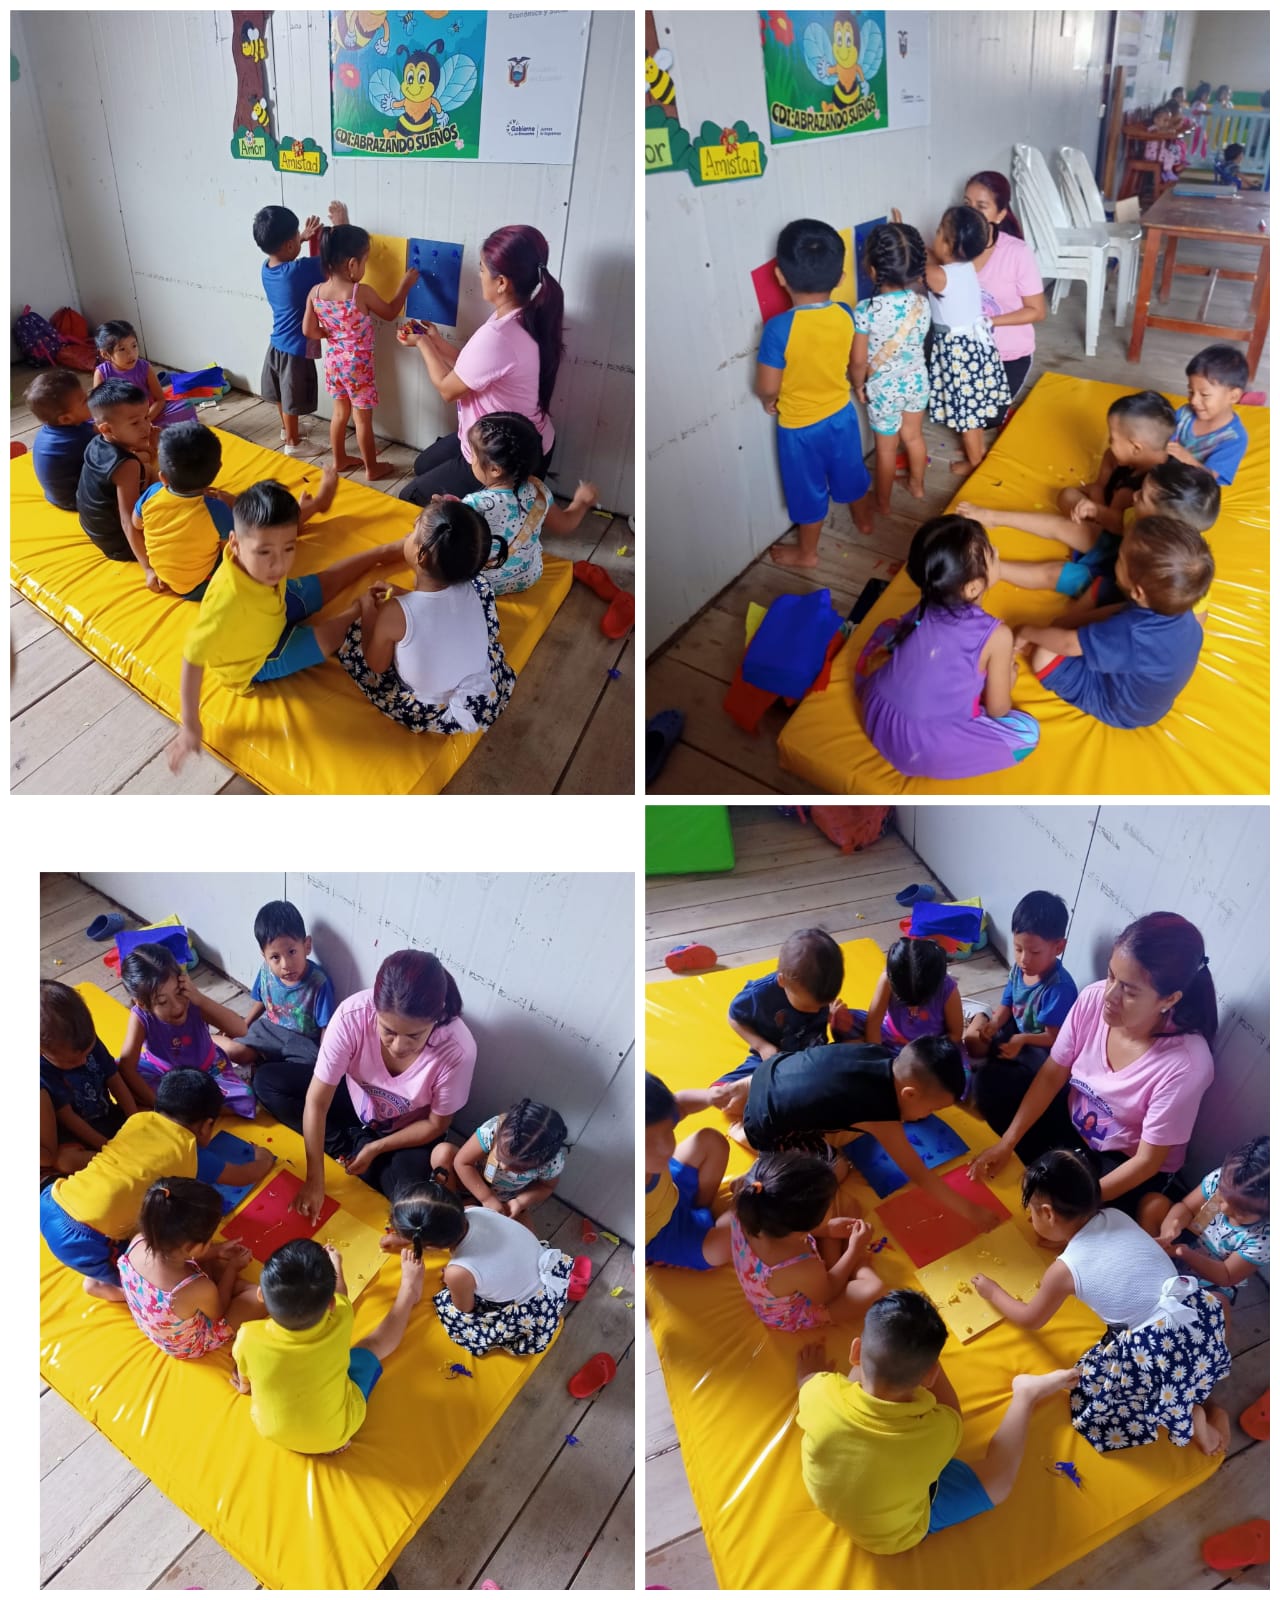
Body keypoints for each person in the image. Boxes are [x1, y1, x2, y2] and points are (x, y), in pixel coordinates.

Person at [969, 911, 1217, 1233]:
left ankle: (1068, 1191)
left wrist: (1077, 1205)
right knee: (992, 1082)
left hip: (1120, 1160)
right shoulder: (1093, 998)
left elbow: (1146, 1162)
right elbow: (1052, 1074)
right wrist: (1007, 1141)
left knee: (1094, 1217)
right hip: (1073, 1124)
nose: (1109, 996)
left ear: (1168, 999)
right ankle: (1053, 1175)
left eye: (1129, 991)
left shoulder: (1186, 1064)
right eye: (1111, 975)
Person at [973, 1148, 1231, 1454]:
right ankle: (1189, 1397)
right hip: (1197, 1319)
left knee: (1096, 1404)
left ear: (1048, 1214)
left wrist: (993, 1292)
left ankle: (1188, 1417)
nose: (1029, 1218)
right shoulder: (1117, 1215)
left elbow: (1031, 1319)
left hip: (1155, 1352)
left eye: (1031, 1211)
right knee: (1177, 1370)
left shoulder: (1063, 1271)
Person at [795, 1288, 1077, 1551]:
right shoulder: (940, 1430)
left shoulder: (819, 1391)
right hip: (892, 1536)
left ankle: (880, 1359)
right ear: (931, 1375)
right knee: (999, 1482)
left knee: (866, 1378)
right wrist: (925, 1358)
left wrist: (808, 1375)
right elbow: (952, 1413)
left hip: (832, 1503)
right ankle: (1026, 1395)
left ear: (855, 1351)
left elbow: (810, 1382)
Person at [166, 479, 402, 773]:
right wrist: (190, 724)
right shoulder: (226, 604)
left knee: (326, 581)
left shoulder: (265, 567)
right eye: (264, 553)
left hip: (273, 604)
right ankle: (358, 608)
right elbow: (192, 657)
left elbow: (287, 532)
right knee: (327, 640)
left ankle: (383, 552)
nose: (279, 565)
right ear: (235, 544)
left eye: (288, 549)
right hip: (257, 657)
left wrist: (316, 502)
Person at [715, 1035, 995, 1233]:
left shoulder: (877, 1053)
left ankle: (739, 1095)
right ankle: (751, 1149)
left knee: (817, 1100)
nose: (928, 1115)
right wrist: (972, 1211)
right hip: (766, 1127)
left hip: (770, 1073)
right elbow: (920, 1174)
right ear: (909, 1094)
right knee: (836, 1168)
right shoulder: (881, 1115)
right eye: (932, 1108)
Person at [270, 949, 477, 1213]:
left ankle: (359, 1149)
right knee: (269, 1083)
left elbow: (436, 1125)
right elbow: (317, 1102)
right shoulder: (352, 1016)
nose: (398, 1046)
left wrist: (377, 1148)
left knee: (410, 1204)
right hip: (356, 1103)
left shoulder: (457, 1050)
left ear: (435, 1020)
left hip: (407, 1133)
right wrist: (315, 1179)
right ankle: (354, 1148)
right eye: (388, 1031)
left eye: (414, 1036)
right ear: (375, 1009)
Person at [38, 1070, 273, 1300]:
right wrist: (263, 1157)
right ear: (206, 1125)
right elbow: (244, 1175)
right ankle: (105, 1285)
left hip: (52, 1200)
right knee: (160, 1274)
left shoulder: (138, 1119)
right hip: (88, 1240)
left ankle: (101, 1271)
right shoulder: (190, 1153)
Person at [856, 514, 1040, 779]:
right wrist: (1008, 681)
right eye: (990, 553)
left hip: (878, 715)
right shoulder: (998, 636)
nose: (997, 552)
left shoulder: (928, 600)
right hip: (923, 749)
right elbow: (999, 709)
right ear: (973, 588)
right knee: (1028, 733)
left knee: (891, 632)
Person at [396, 224, 562, 504]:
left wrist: (422, 343)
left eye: (482, 269)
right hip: (524, 440)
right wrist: (435, 340)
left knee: (409, 496)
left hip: (504, 457)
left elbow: (448, 389)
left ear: (502, 283)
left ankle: (491, 507)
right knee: (423, 465)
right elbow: (475, 369)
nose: (479, 275)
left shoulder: (499, 334)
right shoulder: (520, 315)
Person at [335, 496, 516, 736]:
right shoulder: (471, 584)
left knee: (355, 637)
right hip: (484, 683)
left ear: (422, 556)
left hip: (430, 707)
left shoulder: (393, 613)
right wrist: (405, 597)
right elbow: (434, 611)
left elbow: (377, 665)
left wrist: (368, 611)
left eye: (413, 531)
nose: (407, 536)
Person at [1016, 515, 1214, 730]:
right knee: (1103, 589)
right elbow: (1119, 612)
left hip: (1118, 707)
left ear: (1138, 592)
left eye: (1119, 559)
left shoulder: (1133, 633)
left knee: (1043, 655)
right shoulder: (1179, 609)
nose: (1115, 561)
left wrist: (1026, 631)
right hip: (1142, 687)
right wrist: (1068, 623)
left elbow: (1068, 645)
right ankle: (1082, 637)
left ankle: (1068, 642)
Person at [231, 1238, 425, 1453]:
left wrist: (244, 1387)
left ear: (260, 1295)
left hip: (271, 1430)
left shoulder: (247, 1336)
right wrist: (337, 1265)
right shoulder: (341, 1315)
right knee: (371, 1345)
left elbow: (245, 1382)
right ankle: (408, 1292)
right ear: (331, 1305)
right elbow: (341, 1294)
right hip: (334, 1434)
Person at [755, 217, 873, 569]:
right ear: (841, 278)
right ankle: (864, 521)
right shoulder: (845, 314)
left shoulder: (778, 328)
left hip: (799, 429)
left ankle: (807, 554)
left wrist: (768, 400)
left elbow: (768, 385)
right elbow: (856, 361)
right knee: (851, 470)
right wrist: (857, 383)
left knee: (808, 490)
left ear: (780, 276)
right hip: (841, 415)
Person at [963, 455, 1219, 609]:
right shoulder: (1138, 515)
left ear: (1165, 523)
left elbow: (1195, 618)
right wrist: (1094, 510)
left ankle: (992, 569)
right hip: (1120, 552)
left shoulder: (1183, 568)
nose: (1135, 495)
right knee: (1065, 526)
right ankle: (993, 517)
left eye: (1143, 497)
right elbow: (1118, 522)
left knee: (1055, 573)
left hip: (1122, 587)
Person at [382, 1179, 573, 1356]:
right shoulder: (473, 1211)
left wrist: (455, 1282)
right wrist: (406, 1238)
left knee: (449, 1309)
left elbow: (465, 1307)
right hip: (551, 1275)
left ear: (429, 1246)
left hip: (533, 1313)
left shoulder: (457, 1273)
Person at [302, 221, 417, 480]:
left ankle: (340, 460)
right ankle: (371, 468)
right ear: (352, 265)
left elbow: (308, 330)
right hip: (358, 366)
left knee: (339, 413)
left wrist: (328, 334)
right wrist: (405, 286)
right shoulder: (359, 293)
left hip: (334, 362)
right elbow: (390, 313)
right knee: (363, 420)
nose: (365, 268)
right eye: (365, 262)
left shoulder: (315, 292)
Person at [723, 1151, 884, 1329]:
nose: (831, 1205)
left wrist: (827, 1229)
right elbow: (827, 1293)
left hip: (792, 1276)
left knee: (842, 1217)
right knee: (873, 1289)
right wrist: (855, 1250)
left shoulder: (749, 1197)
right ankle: (855, 1264)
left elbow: (736, 1186)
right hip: (794, 1309)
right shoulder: (799, 1264)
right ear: (803, 1225)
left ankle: (837, 1259)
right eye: (828, 1206)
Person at [119, 1177, 266, 1358]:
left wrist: (217, 1250)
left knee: (217, 1274)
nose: (212, 1242)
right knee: (260, 1297)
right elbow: (219, 1312)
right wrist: (232, 1268)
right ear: (191, 1248)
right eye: (209, 1241)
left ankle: (226, 1283)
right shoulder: (194, 1287)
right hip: (188, 1345)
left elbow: (185, 1256)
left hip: (160, 1317)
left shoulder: (139, 1240)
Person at [460, 412, 598, 595]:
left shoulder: (473, 504)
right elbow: (564, 524)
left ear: (494, 469)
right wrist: (581, 502)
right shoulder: (539, 493)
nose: (471, 460)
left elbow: (453, 544)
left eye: (473, 455)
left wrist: (444, 510)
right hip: (528, 576)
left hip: (481, 584)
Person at [117, 942, 256, 1118]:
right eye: (162, 1002)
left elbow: (241, 1029)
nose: (176, 1006)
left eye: (178, 992)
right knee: (118, 1078)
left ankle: (186, 1110)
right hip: (165, 1075)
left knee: (245, 1097)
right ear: (143, 1004)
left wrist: (200, 998)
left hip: (206, 1069)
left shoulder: (192, 998)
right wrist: (159, 1106)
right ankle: (184, 1110)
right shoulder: (141, 1016)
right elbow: (127, 1067)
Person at [923, 206, 1011, 475]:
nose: (934, 235)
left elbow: (916, 265)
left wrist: (902, 237)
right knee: (973, 408)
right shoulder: (964, 267)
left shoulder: (939, 276)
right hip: (974, 348)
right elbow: (929, 256)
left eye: (939, 232)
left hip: (960, 354)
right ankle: (976, 449)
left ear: (950, 245)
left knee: (968, 416)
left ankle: (976, 463)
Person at [851, 221, 930, 513]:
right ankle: (917, 486)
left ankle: (882, 503)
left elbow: (858, 361)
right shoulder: (922, 304)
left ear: (872, 269)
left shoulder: (865, 311)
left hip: (883, 389)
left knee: (886, 449)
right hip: (918, 381)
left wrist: (858, 384)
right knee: (914, 437)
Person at [714, 927, 853, 1089]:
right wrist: (762, 1046)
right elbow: (734, 1017)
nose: (816, 1011)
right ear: (782, 981)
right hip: (774, 1059)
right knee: (725, 1091)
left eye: (822, 1006)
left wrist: (836, 1020)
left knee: (856, 1058)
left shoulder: (822, 986)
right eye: (807, 1006)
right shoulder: (761, 993)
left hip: (814, 1056)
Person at [965, 892, 1076, 1078]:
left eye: (1035, 952)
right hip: (1016, 1029)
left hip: (1039, 1046)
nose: (1024, 959)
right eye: (1018, 949)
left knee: (998, 1078)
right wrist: (995, 1022)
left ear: (1058, 948)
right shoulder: (1019, 969)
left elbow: (1053, 1038)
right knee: (975, 1042)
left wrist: (1023, 1040)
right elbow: (1007, 1004)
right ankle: (984, 1021)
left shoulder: (1059, 988)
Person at [221, 900, 336, 1076]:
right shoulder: (266, 972)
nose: (286, 965)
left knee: (308, 1070)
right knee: (236, 1052)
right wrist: (244, 1024)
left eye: (292, 952)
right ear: (264, 956)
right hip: (268, 1030)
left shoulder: (319, 983)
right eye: (275, 957)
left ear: (306, 946)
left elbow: (325, 1027)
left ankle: (264, 1068)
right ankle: (206, 1040)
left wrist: (324, 1060)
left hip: (302, 1043)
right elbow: (263, 1001)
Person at [960, 171, 1046, 404]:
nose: (971, 213)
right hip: (967, 351)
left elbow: (1037, 311)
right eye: (967, 204)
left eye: (981, 206)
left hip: (1008, 355)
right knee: (959, 410)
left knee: (987, 415)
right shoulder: (956, 244)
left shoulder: (1017, 253)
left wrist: (988, 322)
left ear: (1000, 215)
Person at [130, 421, 235, 598]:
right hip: (200, 585)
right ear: (218, 468)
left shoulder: (151, 494)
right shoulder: (217, 510)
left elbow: (136, 524)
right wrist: (231, 505)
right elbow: (229, 551)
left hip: (162, 576)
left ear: (163, 478)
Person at [1158, 1135, 1269, 1303]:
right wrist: (1170, 1229)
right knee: (1154, 1204)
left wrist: (1185, 1254)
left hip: (1211, 1277)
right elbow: (1186, 1207)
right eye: (1221, 1197)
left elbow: (1227, 1275)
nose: (1224, 1209)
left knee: (1219, 1303)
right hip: (1185, 1238)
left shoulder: (1264, 1236)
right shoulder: (1224, 1179)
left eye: (1240, 1212)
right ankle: (1155, 1254)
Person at [253, 201, 325, 454]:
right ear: (289, 245)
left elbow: (287, 255)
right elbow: (328, 263)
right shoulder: (298, 271)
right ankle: (293, 443)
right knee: (291, 396)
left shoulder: (267, 268)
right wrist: (338, 226)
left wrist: (302, 238)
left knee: (282, 393)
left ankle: (287, 429)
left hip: (277, 344)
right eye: (296, 235)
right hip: (295, 347)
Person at [40, 980, 137, 1170]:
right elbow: (68, 1117)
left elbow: (115, 1080)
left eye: (87, 1053)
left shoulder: (85, 1039)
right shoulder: (42, 1070)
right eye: (72, 1061)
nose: (84, 1061)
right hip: (78, 1133)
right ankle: (116, 1163)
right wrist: (107, 1148)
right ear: (41, 1050)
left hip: (108, 1113)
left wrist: (135, 1119)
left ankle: (117, 1158)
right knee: (65, 1161)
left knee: (155, 1111)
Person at [645, 1071, 732, 1270]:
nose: (666, 1148)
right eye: (648, 1143)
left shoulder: (654, 1149)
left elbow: (680, 1105)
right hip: (661, 1235)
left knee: (712, 1141)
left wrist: (710, 1096)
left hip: (671, 1190)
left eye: (668, 1132)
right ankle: (742, 1207)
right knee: (721, 1248)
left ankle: (702, 1208)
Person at [436, 1099, 568, 1227]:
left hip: (504, 1201)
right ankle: (450, 1205)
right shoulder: (494, 1128)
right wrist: (486, 1198)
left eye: (518, 1168)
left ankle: (470, 1208)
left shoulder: (552, 1162)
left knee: (526, 1234)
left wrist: (520, 1202)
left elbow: (546, 1187)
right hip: (470, 1181)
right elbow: (462, 1162)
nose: (504, 1167)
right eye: (501, 1157)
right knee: (442, 1153)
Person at [1055, 389, 1177, 522]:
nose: (1109, 441)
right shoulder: (1120, 456)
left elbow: (1116, 523)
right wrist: (1098, 490)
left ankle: (1087, 524)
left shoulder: (1136, 492)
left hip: (1118, 519)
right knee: (1068, 494)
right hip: (1108, 498)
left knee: (1067, 498)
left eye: (1112, 439)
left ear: (1136, 448)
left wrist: (1096, 507)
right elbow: (1099, 484)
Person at [76, 380, 156, 563]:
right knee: (167, 489)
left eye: (146, 417)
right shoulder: (127, 466)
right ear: (107, 428)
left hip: (93, 528)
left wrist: (151, 447)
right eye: (135, 423)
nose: (146, 427)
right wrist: (147, 567)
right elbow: (127, 521)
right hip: (120, 544)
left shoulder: (96, 442)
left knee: (148, 468)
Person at [845, 937, 964, 1054]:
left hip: (929, 1049)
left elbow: (955, 1034)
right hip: (891, 1036)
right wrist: (878, 1057)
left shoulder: (947, 988)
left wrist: (922, 1053)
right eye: (904, 1001)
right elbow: (874, 1025)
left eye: (922, 1002)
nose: (913, 1009)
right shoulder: (888, 979)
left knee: (958, 1064)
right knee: (847, 1018)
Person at [1167, 345, 1250, 485]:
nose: (1193, 400)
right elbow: (1164, 438)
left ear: (1233, 396)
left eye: (1204, 395)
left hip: (1194, 487)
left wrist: (1187, 459)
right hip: (1166, 473)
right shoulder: (1185, 413)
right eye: (1191, 391)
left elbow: (1209, 479)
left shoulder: (1234, 439)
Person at [92, 319, 196, 430]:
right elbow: (100, 409)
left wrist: (146, 419)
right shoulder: (102, 373)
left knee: (186, 406)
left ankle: (143, 431)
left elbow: (160, 399)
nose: (131, 353)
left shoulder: (144, 367)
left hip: (148, 415)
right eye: (122, 349)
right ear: (106, 354)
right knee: (94, 427)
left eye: (134, 346)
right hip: (120, 422)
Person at [27, 369, 96, 511]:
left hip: (55, 495)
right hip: (76, 499)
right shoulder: (78, 439)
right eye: (84, 401)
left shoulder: (54, 427)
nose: (90, 401)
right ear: (65, 419)